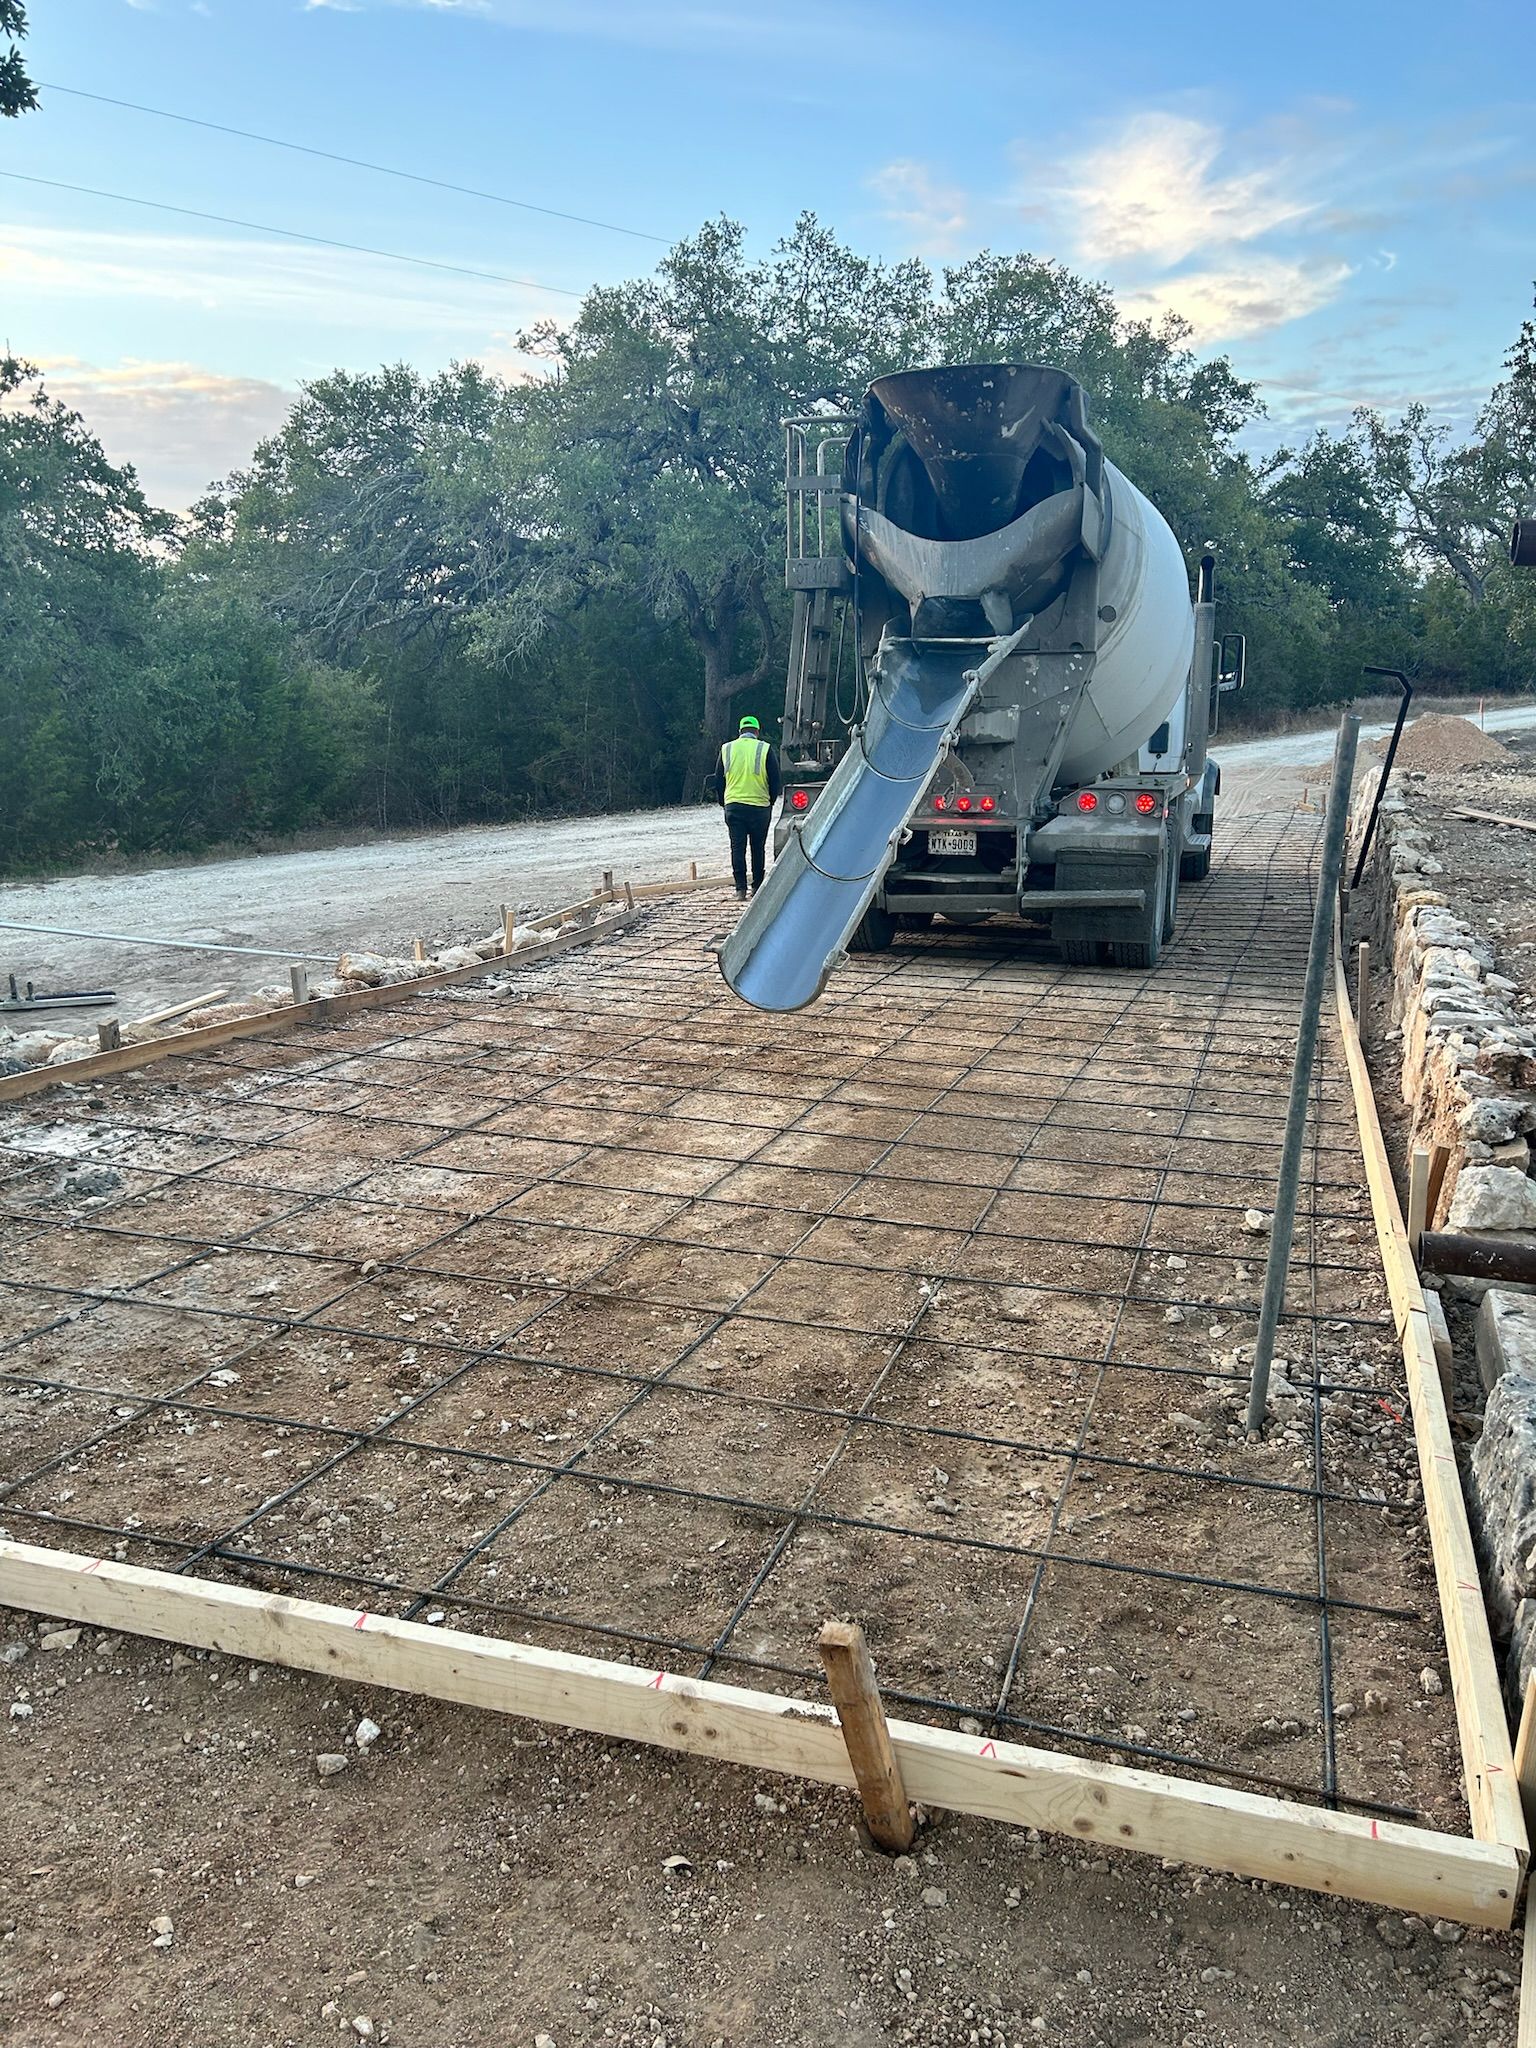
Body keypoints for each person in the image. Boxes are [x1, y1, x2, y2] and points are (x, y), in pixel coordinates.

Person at [711, 715, 781, 899]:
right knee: (758, 848)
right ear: (757, 731)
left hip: (734, 806)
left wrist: (723, 802)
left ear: (740, 731)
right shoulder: (765, 749)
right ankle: (757, 887)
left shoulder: (727, 749)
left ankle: (740, 889)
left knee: (737, 847)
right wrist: (770, 801)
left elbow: (718, 780)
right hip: (759, 806)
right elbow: (775, 780)